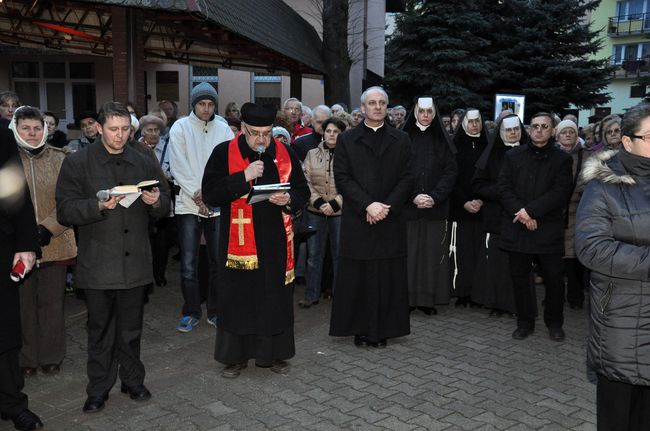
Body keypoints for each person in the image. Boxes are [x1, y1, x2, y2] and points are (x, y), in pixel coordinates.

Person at [56, 101, 171, 413]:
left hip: (135, 262)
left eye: (125, 130)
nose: (119, 136)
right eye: (113, 129)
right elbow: (65, 209)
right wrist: (98, 207)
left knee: (131, 329)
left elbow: (164, 205)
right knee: (100, 331)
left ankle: (132, 380)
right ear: (98, 127)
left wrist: (156, 200)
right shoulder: (78, 162)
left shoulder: (144, 159)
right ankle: (98, 388)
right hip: (98, 263)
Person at [201, 102, 309, 378]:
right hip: (237, 243)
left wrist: (289, 200)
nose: (261, 139)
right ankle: (234, 358)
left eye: (267, 133)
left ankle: (274, 355)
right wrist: (243, 177)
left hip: (275, 240)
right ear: (242, 129)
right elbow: (211, 194)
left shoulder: (285, 152)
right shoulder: (223, 153)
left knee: (274, 297)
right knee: (238, 298)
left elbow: (302, 191)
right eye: (255, 133)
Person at [576, 103, 650, 431]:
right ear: (628, 142)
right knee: (621, 416)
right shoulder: (604, 187)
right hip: (623, 320)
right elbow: (591, 248)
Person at [329, 86, 413, 348]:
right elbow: (342, 177)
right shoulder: (347, 139)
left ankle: (384, 330)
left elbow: (408, 177)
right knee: (359, 278)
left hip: (389, 218)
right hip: (359, 218)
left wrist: (385, 206)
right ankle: (360, 329)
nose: (377, 107)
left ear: (387, 107)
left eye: (382, 103)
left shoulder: (402, 139)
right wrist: (368, 205)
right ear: (363, 108)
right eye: (372, 103)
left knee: (387, 276)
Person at [11, 107, 77, 378]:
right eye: (26, 128)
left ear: (46, 130)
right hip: (17, 248)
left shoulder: (62, 159)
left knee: (52, 304)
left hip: (56, 242)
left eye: (37, 128)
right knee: (23, 306)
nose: (33, 133)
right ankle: (27, 358)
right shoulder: (7, 160)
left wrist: (47, 228)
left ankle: (51, 356)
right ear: (15, 128)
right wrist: (22, 235)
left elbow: (69, 201)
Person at [496, 112, 573, 341]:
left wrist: (531, 211)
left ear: (552, 131)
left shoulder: (562, 159)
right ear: (529, 130)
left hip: (547, 228)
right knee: (519, 279)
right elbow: (503, 188)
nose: (539, 130)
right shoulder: (513, 156)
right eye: (535, 126)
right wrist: (522, 213)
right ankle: (525, 322)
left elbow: (560, 192)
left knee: (554, 280)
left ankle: (554, 322)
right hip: (518, 226)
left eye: (544, 126)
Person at [168, 83, 234, 332]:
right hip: (188, 204)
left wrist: (209, 197)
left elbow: (228, 165)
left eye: (210, 104)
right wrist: (200, 196)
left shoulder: (223, 129)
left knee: (218, 261)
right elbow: (178, 165)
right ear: (193, 104)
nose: (206, 109)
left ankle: (216, 311)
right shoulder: (181, 127)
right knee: (188, 262)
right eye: (201, 104)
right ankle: (191, 311)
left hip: (215, 205)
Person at [0, 122, 43, 431]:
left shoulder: (0, 134)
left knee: (4, 334)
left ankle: (12, 403)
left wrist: (26, 244)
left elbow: (15, 190)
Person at [403, 97, 457, 315]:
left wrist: (434, 196)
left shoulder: (442, 140)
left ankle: (427, 300)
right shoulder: (403, 138)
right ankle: (406, 298)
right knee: (409, 254)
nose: (425, 115)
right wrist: (413, 196)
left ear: (434, 113)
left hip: (435, 207)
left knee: (432, 255)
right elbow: (397, 171)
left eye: (429, 111)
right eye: (422, 111)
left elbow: (451, 173)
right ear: (415, 112)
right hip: (409, 207)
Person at [472, 114, 526, 317]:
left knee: (519, 264)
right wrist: (504, 193)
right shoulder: (491, 155)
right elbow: (478, 185)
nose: (513, 133)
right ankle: (495, 302)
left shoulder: (529, 152)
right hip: (497, 216)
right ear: (502, 132)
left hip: (522, 217)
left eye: (516, 129)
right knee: (496, 263)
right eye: (509, 130)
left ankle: (516, 303)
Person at [299, 117, 347, 308]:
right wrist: (319, 202)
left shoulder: (349, 155)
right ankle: (311, 295)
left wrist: (335, 204)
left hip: (339, 212)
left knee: (339, 255)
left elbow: (352, 182)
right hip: (315, 211)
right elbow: (306, 181)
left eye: (336, 132)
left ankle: (340, 296)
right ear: (323, 132)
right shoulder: (311, 154)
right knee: (313, 256)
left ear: (342, 134)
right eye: (328, 131)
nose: (331, 135)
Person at [449, 109, 488, 307]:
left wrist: (480, 200)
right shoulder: (454, 147)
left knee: (480, 252)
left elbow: (492, 177)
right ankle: (462, 292)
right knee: (461, 252)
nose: (474, 125)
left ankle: (478, 293)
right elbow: (450, 178)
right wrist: (464, 201)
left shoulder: (488, 147)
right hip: (460, 207)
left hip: (483, 208)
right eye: (471, 121)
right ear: (464, 124)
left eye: (477, 121)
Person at [555, 120, 587, 310]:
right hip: (554, 214)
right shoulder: (551, 155)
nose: (568, 135)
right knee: (554, 259)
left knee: (574, 260)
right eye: (564, 132)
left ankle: (575, 296)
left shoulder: (587, 156)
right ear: (557, 136)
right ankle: (555, 295)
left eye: (571, 132)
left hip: (577, 214)